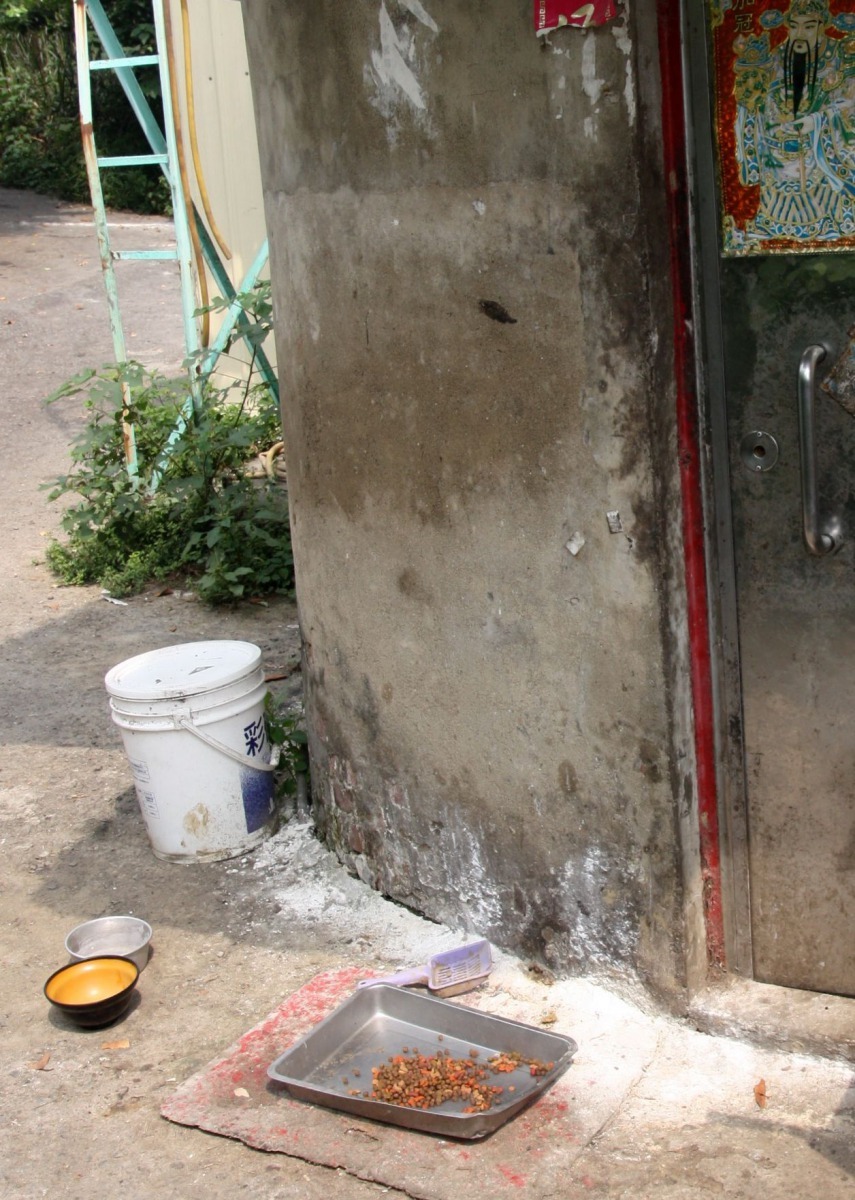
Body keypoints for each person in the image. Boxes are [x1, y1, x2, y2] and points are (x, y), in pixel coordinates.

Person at [729, 0, 855, 249]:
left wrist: (818, 120)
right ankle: (772, 223)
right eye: (794, 27)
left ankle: (830, 223)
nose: (800, 34)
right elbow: (757, 97)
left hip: (818, 148)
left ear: (823, 26)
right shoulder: (777, 57)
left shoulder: (840, 59)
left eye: (808, 27)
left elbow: (849, 103)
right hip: (779, 148)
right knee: (777, 182)